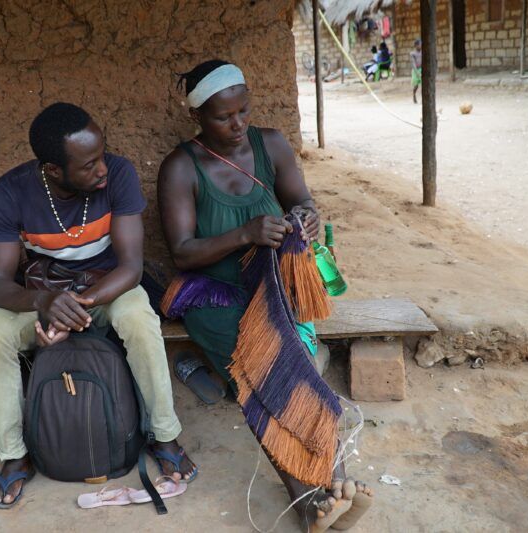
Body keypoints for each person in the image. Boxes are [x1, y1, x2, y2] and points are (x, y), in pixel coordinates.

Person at [157, 60, 374, 532]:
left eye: (243, 111)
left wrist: (308, 218)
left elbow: (303, 201)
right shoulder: (181, 168)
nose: (237, 125)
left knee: (297, 362)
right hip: (214, 294)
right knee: (263, 371)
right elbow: (183, 252)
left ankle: (328, 493)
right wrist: (245, 234)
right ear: (197, 116)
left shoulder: (270, 144)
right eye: (223, 116)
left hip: (277, 284)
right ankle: (311, 499)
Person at [0, 102, 196, 509]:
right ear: (53, 170)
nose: (102, 170)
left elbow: (130, 266)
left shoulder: (119, 175)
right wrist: (44, 302)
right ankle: (14, 456)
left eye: (101, 155)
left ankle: (164, 435)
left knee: (138, 315)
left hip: (106, 288)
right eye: (89, 164)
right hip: (44, 294)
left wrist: (76, 307)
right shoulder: (11, 191)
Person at [411, 39, 422, 103]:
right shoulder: (412, 54)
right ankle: (414, 95)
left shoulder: (423, 52)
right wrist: (417, 72)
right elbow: (413, 63)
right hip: (415, 70)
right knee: (416, 85)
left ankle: (423, 98)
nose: (421, 46)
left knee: (424, 84)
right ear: (416, 46)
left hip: (422, 69)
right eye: (420, 44)